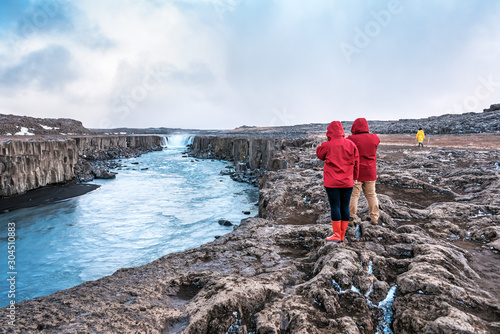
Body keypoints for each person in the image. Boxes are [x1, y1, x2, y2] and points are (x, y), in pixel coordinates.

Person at [316, 121, 359, 242]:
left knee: (335, 206)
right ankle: (342, 234)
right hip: (347, 181)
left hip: (332, 183)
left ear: (330, 132)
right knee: (345, 206)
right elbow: (356, 162)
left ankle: (336, 234)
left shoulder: (327, 145)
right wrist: (355, 177)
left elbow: (320, 155)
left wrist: (322, 144)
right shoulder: (351, 144)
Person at [346, 118, 380, 224]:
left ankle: (351, 217)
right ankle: (374, 218)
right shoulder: (374, 138)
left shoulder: (351, 139)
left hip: (356, 173)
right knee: (371, 195)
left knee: (354, 196)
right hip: (370, 172)